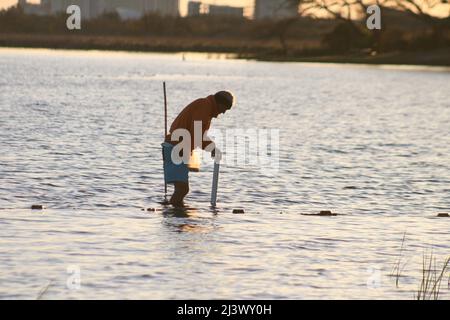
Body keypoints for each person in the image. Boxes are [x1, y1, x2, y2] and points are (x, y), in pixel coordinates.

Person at [162, 91, 234, 207]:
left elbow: (197, 135)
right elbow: (197, 134)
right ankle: (174, 218)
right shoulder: (204, 106)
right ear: (219, 103)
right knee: (182, 189)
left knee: (181, 189)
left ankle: (174, 216)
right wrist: (212, 148)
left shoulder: (207, 108)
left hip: (179, 148)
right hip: (175, 147)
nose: (224, 112)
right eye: (225, 108)